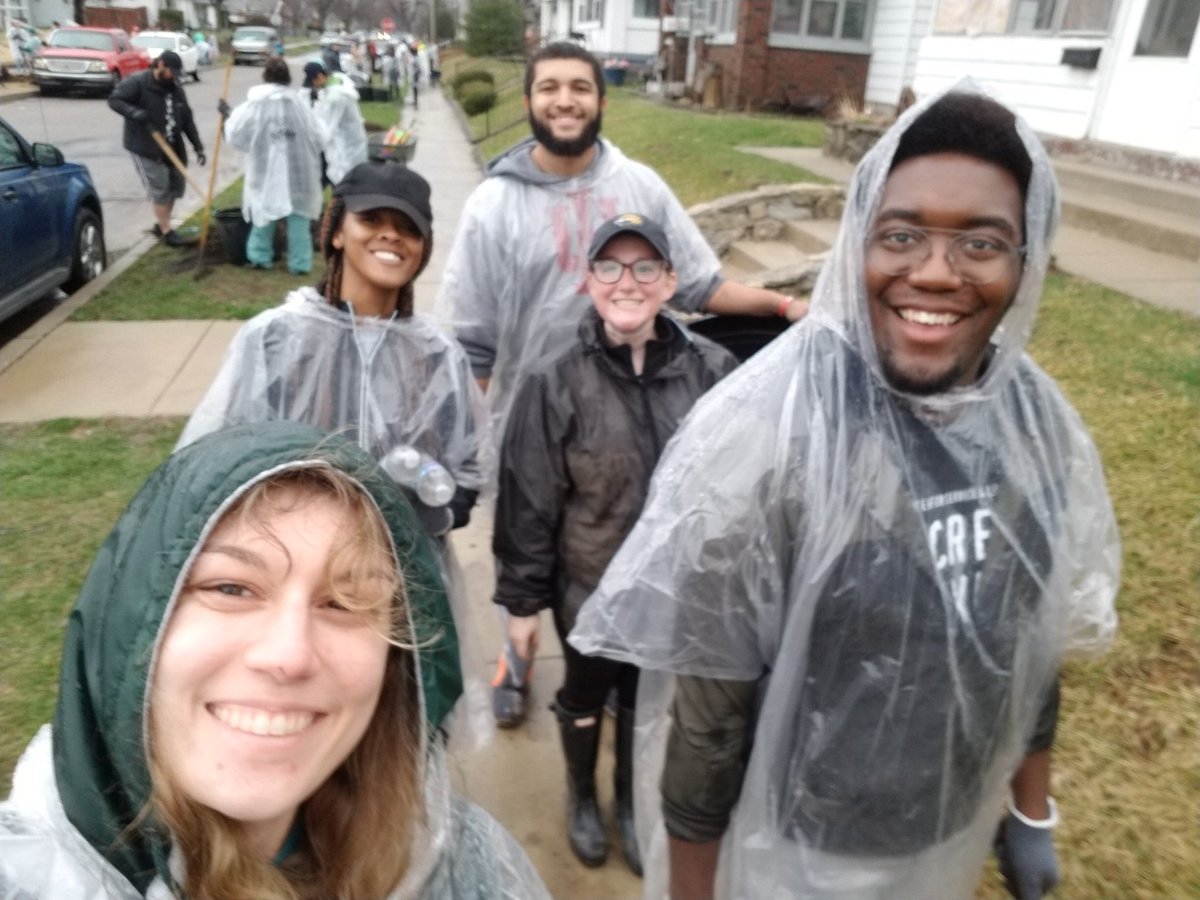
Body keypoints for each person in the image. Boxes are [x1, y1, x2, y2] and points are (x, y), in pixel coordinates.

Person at [570, 83, 1121, 899]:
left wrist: (1030, 811)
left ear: (1026, 262)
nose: (935, 272)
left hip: (949, 829)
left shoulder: (1033, 426)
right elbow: (710, 719)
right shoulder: (770, 432)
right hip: (798, 851)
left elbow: (1027, 646)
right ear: (857, 241)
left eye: (981, 242)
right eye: (901, 236)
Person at [0, 422, 550, 898]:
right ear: (130, 620)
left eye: (345, 603)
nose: (289, 655)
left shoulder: (463, 865)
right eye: (231, 588)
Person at [434, 41, 807, 728]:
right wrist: (464, 443)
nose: (565, 100)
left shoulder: (639, 187)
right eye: (550, 87)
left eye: (579, 87)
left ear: (601, 100)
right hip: (530, 419)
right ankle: (516, 657)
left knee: (609, 547)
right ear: (529, 101)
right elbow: (474, 341)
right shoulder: (495, 205)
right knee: (527, 546)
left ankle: (606, 662)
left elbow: (699, 284)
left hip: (621, 414)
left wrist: (783, 306)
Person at [176, 163, 492, 738]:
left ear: (423, 249)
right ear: (337, 231)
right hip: (293, 592)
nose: (391, 235)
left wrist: (430, 505)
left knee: (402, 735)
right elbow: (212, 466)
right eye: (373, 219)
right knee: (305, 730)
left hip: (403, 593)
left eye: (409, 228)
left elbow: (467, 473)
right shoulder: (274, 340)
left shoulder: (437, 357)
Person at [494, 213, 738, 875]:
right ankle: (582, 793)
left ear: (670, 282)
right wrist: (522, 603)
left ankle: (630, 800)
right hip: (588, 589)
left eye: (644, 267)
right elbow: (528, 497)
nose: (626, 282)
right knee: (584, 691)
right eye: (610, 266)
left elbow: (737, 491)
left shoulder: (713, 372)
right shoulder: (555, 378)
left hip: (672, 592)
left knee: (641, 698)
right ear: (589, 280)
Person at [219, 57, 326, 274]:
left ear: (265, 76)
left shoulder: (255, 106)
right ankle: (300, 264)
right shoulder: (300, 106)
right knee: (299, 217)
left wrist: (226, 116)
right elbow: (321, 136)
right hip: (299, 173)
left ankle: (260, 257)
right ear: (288, 78)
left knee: (264, 213)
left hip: (264, 172)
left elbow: (235, 134)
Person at [109, 50, 205, 246]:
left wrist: (198, 147)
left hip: (172, 145)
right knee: (160, 188)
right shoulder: (138, 82)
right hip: (145, 146)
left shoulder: (176, 89)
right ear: (160, 65)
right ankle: (166, 231)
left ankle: (162, 225)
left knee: (175, 186)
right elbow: (115, 100)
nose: (173, 77)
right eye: (171, 72)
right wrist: (134, 113)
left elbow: (187, 120)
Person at [300, 59, 368, 185]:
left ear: (320, 76)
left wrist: (310, 144)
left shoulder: (336, 96)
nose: (314, 86)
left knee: (344, 183)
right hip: (346, 144)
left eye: (313, 82)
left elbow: (326, 129)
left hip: (348, 148)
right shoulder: (334, 84)